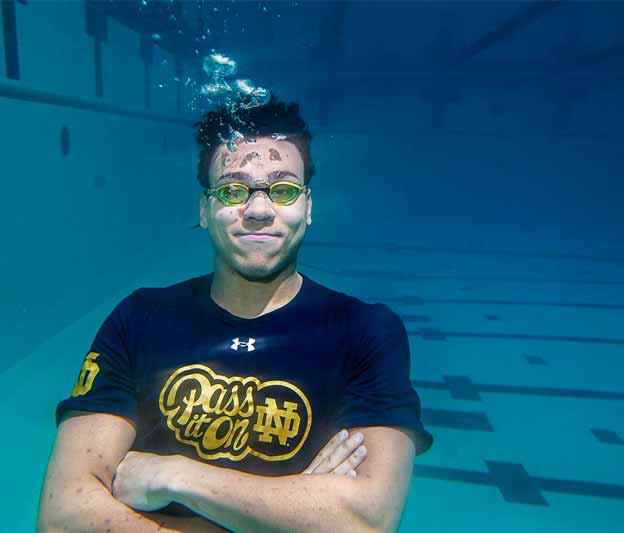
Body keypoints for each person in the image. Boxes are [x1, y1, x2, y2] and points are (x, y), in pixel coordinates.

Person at [37, 96, 434, 533]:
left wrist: (176, 476)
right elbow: (64, 516)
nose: (259, 211)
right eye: (232, 190)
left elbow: (367, 522)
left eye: (283, 190)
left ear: (308, 206)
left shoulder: (365, 332)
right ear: (205, 210)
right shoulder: (140, 318)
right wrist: (295, 515)